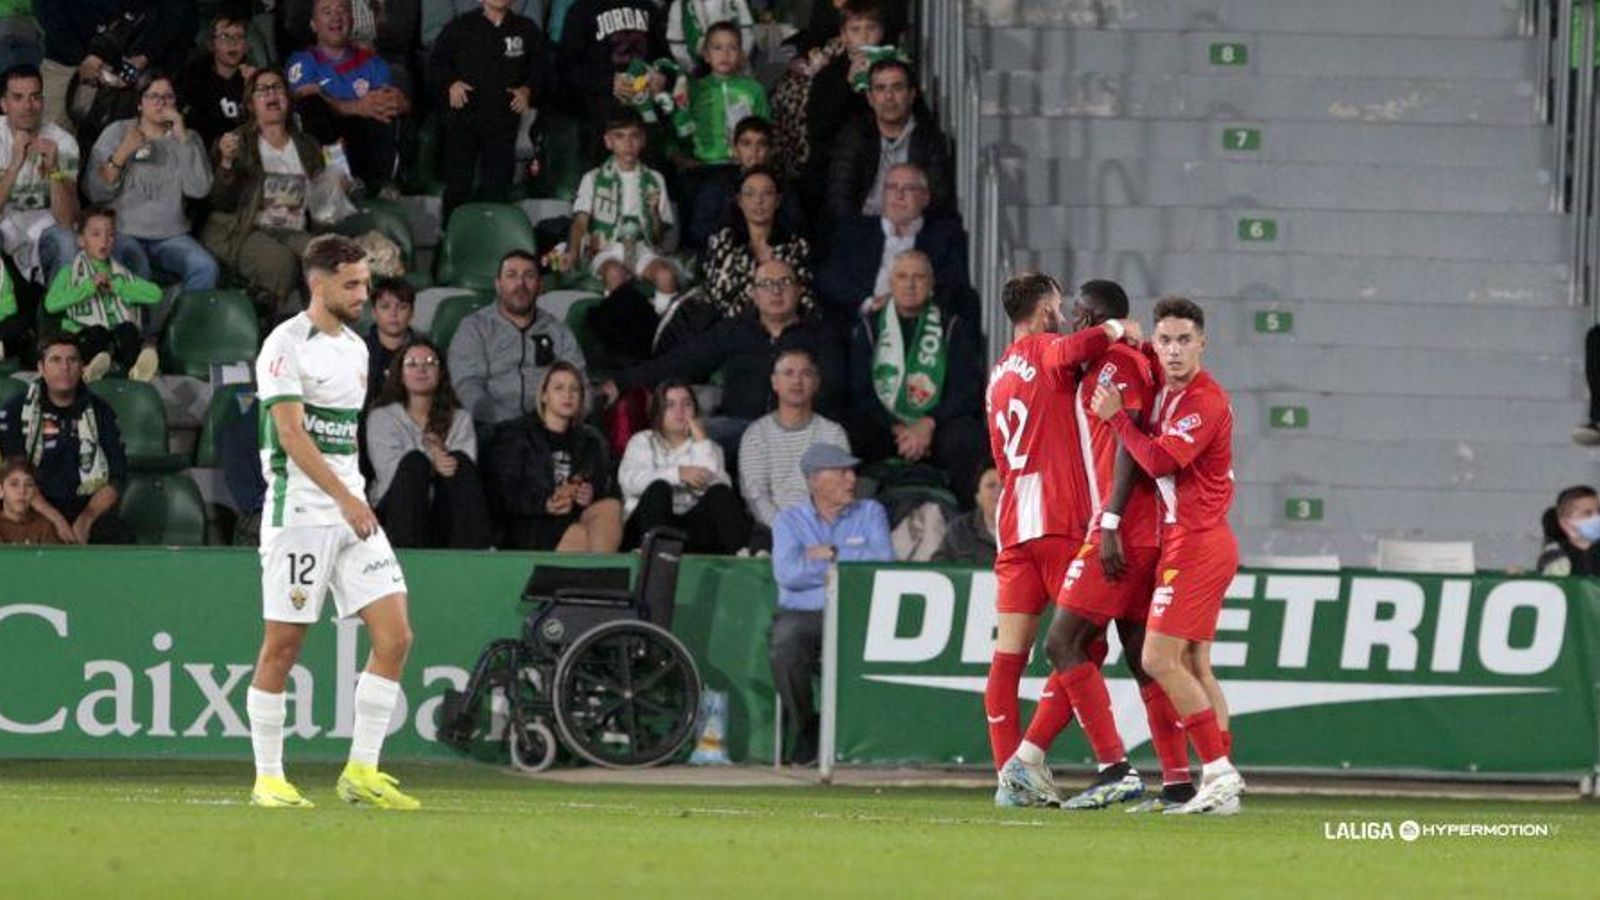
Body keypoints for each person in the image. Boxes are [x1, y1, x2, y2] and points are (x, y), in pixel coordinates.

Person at [1002, 279, 1192, 813]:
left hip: (1123, 526)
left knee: (1063, 643)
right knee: (1139, 656)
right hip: (1144, 524)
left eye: (1081, 313)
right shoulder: (1131, 358)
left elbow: (1127, 438)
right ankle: (1177, 783)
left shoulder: (1114, 362)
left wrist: (1108, 520)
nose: (1073, 322)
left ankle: (1115, 768)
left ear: (1099, 314)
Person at [248, 234, 420, 810]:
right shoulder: (284, 345)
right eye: (352, 284)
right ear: (317, 283)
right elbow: (292, 436)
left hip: (352, 512)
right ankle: (268, 778)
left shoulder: (357, 349)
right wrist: (345, 500)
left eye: (366, 284)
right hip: (300, 514)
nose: (364, 295)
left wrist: (354, 499)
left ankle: (362, 771)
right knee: (284, 646)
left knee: (396, 636)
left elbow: (342, 438)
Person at [978, 272, 1135, 804]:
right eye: (1058, 305)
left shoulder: (997, 374)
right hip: (1062, 518)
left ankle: (1009, 777)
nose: (1063, 313)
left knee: (1008, 658)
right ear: (1044, 308)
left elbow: (1001, 457)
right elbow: (1083, 344)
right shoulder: (1046, 348)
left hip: (1013, 522)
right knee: (1084, 647)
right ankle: (1038, 757)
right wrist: (1119, 325)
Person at [1089, 295, 1245, 815]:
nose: (1173, 351)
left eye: (1184, 340)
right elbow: (1133, 347)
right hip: (1193, 535)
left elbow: (1156, 460)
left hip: (1198, 539)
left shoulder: (1206, 401)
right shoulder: (1163, 376)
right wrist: (1124, 333)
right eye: (1165, 341)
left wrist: (1115, 420)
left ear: (1203, 343)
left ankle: (1219, 773)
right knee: (1196, 664)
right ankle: (1218, 787)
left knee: (1157, 658)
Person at [603, 258, 846, 461]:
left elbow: (833, 387)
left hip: (799, 431)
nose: (776, 290)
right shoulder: (734, 330)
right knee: (681, 443)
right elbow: (682, 360)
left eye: (785, 282)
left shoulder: (820, 334)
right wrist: (621, 382)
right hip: (740, 428)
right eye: (767, 284)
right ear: (754, 295)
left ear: (799, 291)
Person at [770, 442, 891, 764]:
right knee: (785, 643)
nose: (852, 479)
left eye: (852, 471)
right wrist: (846, 567)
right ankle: (808, 727)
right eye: (842, 472)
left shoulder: (871, 512)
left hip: (858, 614)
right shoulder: (788, 521)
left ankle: (876, 739)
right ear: (814, 479)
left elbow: (882, 563)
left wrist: (833, 553)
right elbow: (788, 574)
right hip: (806, 614)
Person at [846, 250, 986, 503]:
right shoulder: (869, 326)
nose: (910, 284)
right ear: (891, 284)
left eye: (919, 277)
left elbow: (965, 390)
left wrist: (928, 424)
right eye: (902, 276)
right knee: (849, 432)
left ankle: (967, 521)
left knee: (966, 439)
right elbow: (861, 391)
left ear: (931, 285)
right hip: (886, 426)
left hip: (937, 425)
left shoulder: (952, 326)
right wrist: (898, 427)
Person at [201, 68, 328, 312]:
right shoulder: (236, 142)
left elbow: (321, 205)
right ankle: (267, 331)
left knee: (324, 257)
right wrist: (226, 163)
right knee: (280, 262)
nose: (271, 94)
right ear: (250, 104)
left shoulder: (307, 145)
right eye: (263, 89)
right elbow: (221, 201)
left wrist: (334, 185)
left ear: (288, 99)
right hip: (243, 228)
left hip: (291, 227)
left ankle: (321, 331)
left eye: (277, 87)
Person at [86, 68, 219, 293]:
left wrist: (182, 139)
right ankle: (138, 327)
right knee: (137, 266)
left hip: (171, 235)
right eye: (153, 96)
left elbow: (199, 190)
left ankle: (182, 324)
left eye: (167, 97)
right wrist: (122, 152)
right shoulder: (117, 132)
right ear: (140, 103)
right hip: (122, 232)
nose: (161, 103)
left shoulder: (188, 138)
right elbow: (95, 192)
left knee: (206, 267)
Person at [0, 334, 133, 544]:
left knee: (118, 535)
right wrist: (56, 520)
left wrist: (86, 519)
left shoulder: (100, 410)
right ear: (41, 368)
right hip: (35, 506)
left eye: (72, 360)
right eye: (56, 360)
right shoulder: (17, 408)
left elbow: (115, 479)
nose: (65, 367)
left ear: (82, 368)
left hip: (87, 507)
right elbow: (15, 475)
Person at [428, 0, 548, 224]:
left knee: (497, 189)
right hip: (463, 120)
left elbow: (542, 69)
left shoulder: (526, 29)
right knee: (457, 188)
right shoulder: (459, 27)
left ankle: (495, 244)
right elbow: (436, 66)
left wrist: (527, 90)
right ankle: (451, 242)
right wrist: (450, 84)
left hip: (504, 123)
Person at [365, 339, 492, 549]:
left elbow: (466, 475)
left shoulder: (460, 418)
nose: (421, 369)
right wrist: (433, 459)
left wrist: (441, 455)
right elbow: (390, 475)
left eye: (430, 363)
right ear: (400, 374)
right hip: (397, 512)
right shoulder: (382, 417)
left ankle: (475, 555)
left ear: (441, 372)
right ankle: (406, 560)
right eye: (412, 364)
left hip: (442, 512)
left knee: (459, 461)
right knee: (414, 463)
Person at [815, 161, 974, 326]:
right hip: (860, 325)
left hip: (919, 326)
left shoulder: (944, 237)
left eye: (908, 188)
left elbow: (953, 287)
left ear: (925, 198)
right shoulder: (854, 231)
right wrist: (869, 304)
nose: (899, 195)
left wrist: (900, 304)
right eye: (892, 187)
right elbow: (829, 279)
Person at [487, 360, 623, 552]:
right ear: (544, 396)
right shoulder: (515, 434)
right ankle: (597, 578)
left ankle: (601, 578)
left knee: (611, 507)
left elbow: (603, 488)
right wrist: (545, 503)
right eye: (559, 388)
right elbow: (504, 494)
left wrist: (589, 495)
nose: (567, 395)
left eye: (574, 389)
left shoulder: (590, 440)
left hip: (573, 516)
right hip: (532, 523)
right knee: (580, 534)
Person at [448, 249, 587, 429]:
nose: (520, 283)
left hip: (550, 426)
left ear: (539, 285)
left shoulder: (557, 330)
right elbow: (467, 386)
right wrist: (508, 422)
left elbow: (580, 382)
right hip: (493, 427)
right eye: (511, 275)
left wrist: (558, 419)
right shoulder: (475, 328)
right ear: (498, 284)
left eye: (529, 276)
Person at [285, 0, 409, 193]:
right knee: (311, 104)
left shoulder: (372, 62)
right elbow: (301, 105)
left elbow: (388, 103)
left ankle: (379, 186)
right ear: (313, 24)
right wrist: (356, 106)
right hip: (326, 147)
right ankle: (336, 181)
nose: (336, 17)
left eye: (342, 10)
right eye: (326, 12)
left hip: (364, 142)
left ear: (352, 19)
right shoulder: (302, 63)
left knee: (382, 107)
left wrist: (400, 103)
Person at [618, 379, 749, 552]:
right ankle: (656, 560)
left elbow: (720, 491)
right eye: (670, 405)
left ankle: (744, 557)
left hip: (691, 531)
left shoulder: (709, 447)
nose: (679, 411)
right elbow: (629, 483)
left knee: (720, 492)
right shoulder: (642, 440)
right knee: (658, 488)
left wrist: (701, 442)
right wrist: (677, 474)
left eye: (686, 404)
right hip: (646, 529)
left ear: (695, 410)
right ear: (658, 411)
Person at [825, 58, 953, 226]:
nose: (889, 97)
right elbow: (839, 199)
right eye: (880, 89)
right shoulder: (854, 135)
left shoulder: (928, 137)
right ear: (870, 98)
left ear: (911, 95)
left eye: (897, 87)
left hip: (915, 231)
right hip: (863, 230)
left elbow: (937, 197)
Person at [43, 205, 161, 382]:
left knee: (128, 330)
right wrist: (88, 288)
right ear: (81, 240)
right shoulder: (69, 272)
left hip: (115, 335)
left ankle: (136, 373)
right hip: (83, 332)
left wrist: (117, 286)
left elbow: (155, 294)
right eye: (96, 235)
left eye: (110, 235)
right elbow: (51, 304)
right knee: (97, 333)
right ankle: (90, 369)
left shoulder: (119, 273)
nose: (104, 241)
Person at [738, 347, 850, 531]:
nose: (797, 381)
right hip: (773, 530)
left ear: (816, 382)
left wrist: (816, 528)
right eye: (788, 373)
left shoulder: (833, 433)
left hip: (825, 527)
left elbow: (839, 490)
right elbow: (755, 495)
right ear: (775, 382)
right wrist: (786, 528)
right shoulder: (756, 434)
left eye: (806, 374)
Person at [566, 108, 677, 275]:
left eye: (635, 136)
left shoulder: (655, 180)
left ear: (643, 140)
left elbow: (659, 238)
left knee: (666, 275)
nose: (629, 143)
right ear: (608, 141)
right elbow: (580, 221)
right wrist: (572, 253)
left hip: (642, 248)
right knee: (615, 273)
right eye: (620, 136)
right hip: (607, 249)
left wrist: (654, 212)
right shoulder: (593, 178)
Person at [0, 63, 81, 287]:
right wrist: (15, 165)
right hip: (5, 225)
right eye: (18, 97)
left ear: (43, 101)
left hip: (44, 229)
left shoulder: (64, 143)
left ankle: (57, 317)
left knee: (66, 241)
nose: (28, 106)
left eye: (35, 97)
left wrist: (54, 170)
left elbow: (67, 221)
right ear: (4, 104)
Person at [700, 165, 811, 319]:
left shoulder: (796, 246)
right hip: (731, 329)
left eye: (767, 193)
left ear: (778, 200)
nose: (758, 201)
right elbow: (717, 297)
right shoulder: (722, 241)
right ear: (739, 201)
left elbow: (802, 299)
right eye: (750, 194)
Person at [686, 21, 766, 168]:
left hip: (744, 165)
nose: (725, 54)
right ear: (706, 55)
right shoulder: (695, 89)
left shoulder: (754, 90)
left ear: (741, 55)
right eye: (718, 48)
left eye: (732, 48)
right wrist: (681, 158)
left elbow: (765, 129)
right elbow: (682, 126)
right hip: (704, 166)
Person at [179, 12, 257, 149]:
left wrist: (254, 87)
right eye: (224, 36)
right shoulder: (195, 81)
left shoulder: (255, 79)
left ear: (246, 46)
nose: (232, 43)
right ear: (211, 44)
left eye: (238, 37)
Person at [364, 276, 416, 405]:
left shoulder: (425, 351)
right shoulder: (358, 350)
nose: (393, 314)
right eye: (385, 307)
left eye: (402, 307)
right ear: (374, 312)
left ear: (412, 313)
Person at [934, 462, 997, 565]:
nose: (998, 491)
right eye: (991, 486)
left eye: (1005, 485)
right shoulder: (959, 530)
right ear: (978, 497)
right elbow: (939, 566)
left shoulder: (1029, 530)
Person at [666, 0, 753, 73]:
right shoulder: (680, 5)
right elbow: (676, 44)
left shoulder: (737, 1)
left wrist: (741, 59)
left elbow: (747, 32)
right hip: (698, 72)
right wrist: (693, 68)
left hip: (738, 70)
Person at [1537, 485, 1600, 575]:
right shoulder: (1554, 555)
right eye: (1587, 513)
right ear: (1566, 524)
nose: (1597, 518)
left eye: (1599, 511)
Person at [0, 455, 62, 545]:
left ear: (35, 492)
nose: (22, 491)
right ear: (1, 491)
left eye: (29, 484)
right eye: (14, 484)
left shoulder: (44, 527)